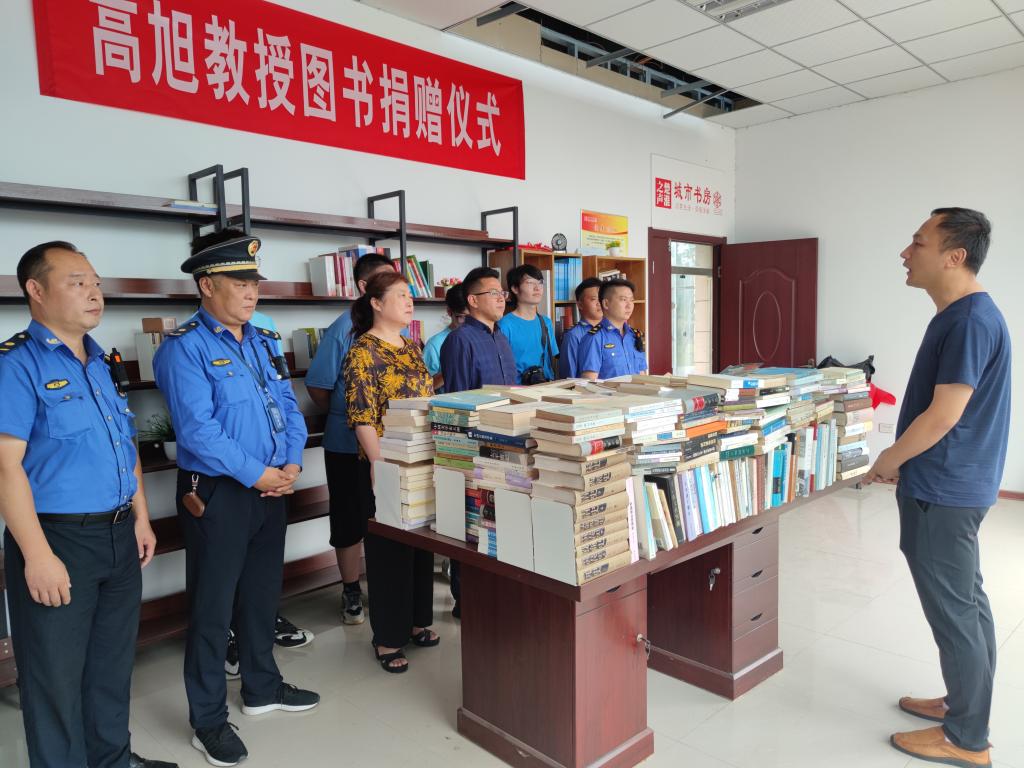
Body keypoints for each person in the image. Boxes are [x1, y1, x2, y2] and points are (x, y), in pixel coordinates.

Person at [0, 241, 175, 768]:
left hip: (119, 534)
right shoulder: (16, 365)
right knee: (54, 679)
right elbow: (6, 467)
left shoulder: (101, 362)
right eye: (77, 282)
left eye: (96, 282)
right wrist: (37, 555)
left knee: (111, 666)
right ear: (35, 290)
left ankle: (112, 760)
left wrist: (141, 517)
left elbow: (125, 445)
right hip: (59, 540)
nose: (94, 293)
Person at [153, 229, 318, 767]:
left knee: (262, 596)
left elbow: (288, 407)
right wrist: (259, 475)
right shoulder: (184, 348)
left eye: (254, 282)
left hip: (273, 486)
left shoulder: (262, 341)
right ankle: (207, 720)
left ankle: (262, 688)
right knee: (212, 607)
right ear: (206, 285)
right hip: (219, 494)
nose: (251, 292)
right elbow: (198, 432)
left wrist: (292, 464)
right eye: (239, 282)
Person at [865, 208, 1010, 768]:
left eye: (918, 243)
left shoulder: (969, 321)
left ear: (955, 256)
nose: (906, 253)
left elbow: (944, 415)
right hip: (956, 484)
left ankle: (966, 739)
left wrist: (889, 459)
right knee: (967, 604)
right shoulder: (965, 315)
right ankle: (962, 704)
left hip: (944, 489)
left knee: (955, 613)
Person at [344, 270, 438, 672]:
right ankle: (387, 638)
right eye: (400, 295)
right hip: (383, 461)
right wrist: (377, 461)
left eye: (410, 294)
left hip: (419, 457)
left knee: (420, 544)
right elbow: (361, 414)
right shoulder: (363, 351)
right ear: (376, 303)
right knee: (388, 551)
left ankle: (417, 621)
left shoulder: (411, 345)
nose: (409, 301)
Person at [305, 252, 400, 626]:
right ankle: (350, 591)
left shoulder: (397, 331)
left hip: (389, 444)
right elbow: (319, 388)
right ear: (364, 288)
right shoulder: (342, 329)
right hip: (346, 445)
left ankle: (384, 587)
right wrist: (350, 413)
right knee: (348, 519)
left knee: (385, 518)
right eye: (384, 280)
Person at [439, 266, 518, 617]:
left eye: (503, 293)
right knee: (471, 524)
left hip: (506, 443)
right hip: (472, 448)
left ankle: (496, 593)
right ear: (472, 300)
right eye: (494, 293)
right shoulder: (460, 340)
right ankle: (466, 599)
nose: (501, 298)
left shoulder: (501, 337)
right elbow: (457, 401)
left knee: (499, 523)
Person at [577, 278, 648, 380]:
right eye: (623, 299)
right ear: (606, 304)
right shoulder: (594, 339)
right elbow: (589, 383)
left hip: (637, 390)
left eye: (631, 300)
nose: (629, 305)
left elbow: (642, 376)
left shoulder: (635, 336)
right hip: (609, 391)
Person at [498, 264, 557, 384]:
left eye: (540, 283)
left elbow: (551, 360)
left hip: (545, 387)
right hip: (516, 390)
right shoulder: (504, 325)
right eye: (530, 283)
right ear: (515, 288)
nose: (537, 288)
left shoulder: (546, 322)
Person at [422, 284, 468, 392]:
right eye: (461, 317)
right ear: (449, 312)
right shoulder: (435, 344)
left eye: (471, 317)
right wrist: (453, 367)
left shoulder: (481, 338)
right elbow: (426, 386)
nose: (467, 322)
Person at [559, 276, 603, 379]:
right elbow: (568, 377)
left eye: (601, 298)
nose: (599, 303)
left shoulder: (612, 331)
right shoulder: (573, 335)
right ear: (580, 305)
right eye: (593, 299)